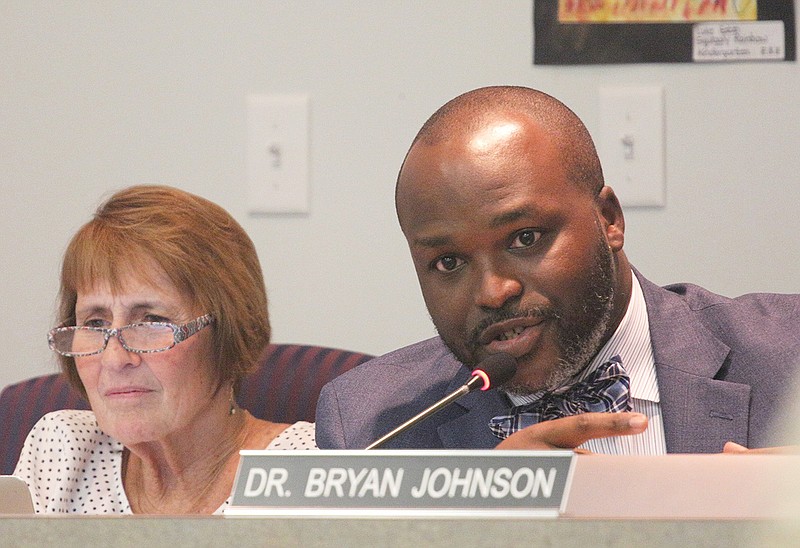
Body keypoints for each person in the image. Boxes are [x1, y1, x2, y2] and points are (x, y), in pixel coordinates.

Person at [315, 86, 800, 454]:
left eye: (525, 238)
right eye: (449, 262)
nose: (493, 290)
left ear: (608, 219)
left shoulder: (786, 358)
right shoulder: (371, 424)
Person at [14, 185, 315, 514]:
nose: (114, 359)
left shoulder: (306, 469)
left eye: (151, 321)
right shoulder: (60, 452)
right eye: (96, 324)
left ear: (227, 333)